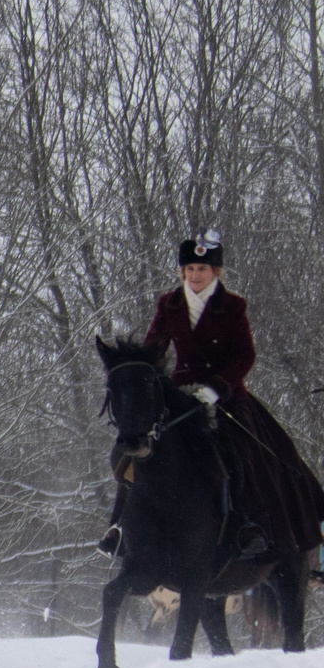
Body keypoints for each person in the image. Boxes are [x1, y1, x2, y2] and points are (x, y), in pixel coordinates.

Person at [104, 228, 324, 561]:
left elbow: (245, 355)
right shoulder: (170, 304)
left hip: (226, 396)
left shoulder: (233, 306)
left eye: (202, 270)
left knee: (248, 453)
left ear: (215, 272)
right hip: (180, 396)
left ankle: (251, 525)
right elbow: (155, 349)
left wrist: (217, 388)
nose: (195, 276)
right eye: (189, 269)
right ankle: (119, 526)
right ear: (182, 272)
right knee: (136, 449)